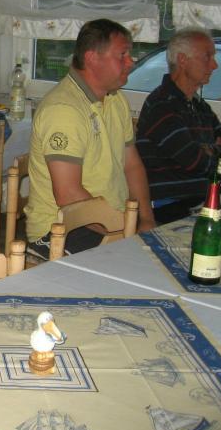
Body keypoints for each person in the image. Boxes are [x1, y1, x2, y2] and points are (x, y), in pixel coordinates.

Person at [25, 19, 155, 259]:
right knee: (137, 267)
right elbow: (69, 195)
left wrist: (146, 220)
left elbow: (132, 166)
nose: (131, 62)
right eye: (122, 55)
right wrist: (124, 229)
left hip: (110, 221)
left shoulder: (116, 99)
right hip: (61, 228)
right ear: (92, 58)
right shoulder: (64, 110)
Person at [136, 28, 221, 224]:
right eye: (207, 57)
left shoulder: (199, 106)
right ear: (182, 60)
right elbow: (195, 161)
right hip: (170, 208)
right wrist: (215, 150)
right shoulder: (162, 104)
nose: (214, 65)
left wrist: (210, 150)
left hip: (202, 203)